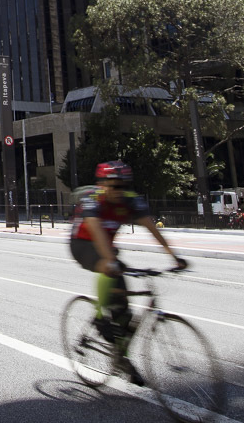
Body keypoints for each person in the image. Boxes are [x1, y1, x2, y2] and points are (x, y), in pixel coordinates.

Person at [70, 160, 185, 385]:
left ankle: (122, 358)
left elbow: (152, 228)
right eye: (112, 186)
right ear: (102, 184)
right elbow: (95, 230)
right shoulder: (93, 199)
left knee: (125, 315)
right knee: (108, 264)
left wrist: (174, 257)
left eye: (122, 186)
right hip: (82, 243)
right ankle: (101, 317)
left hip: (107, 247)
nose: (117, 191)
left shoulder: (130, 201)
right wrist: (110, 261)